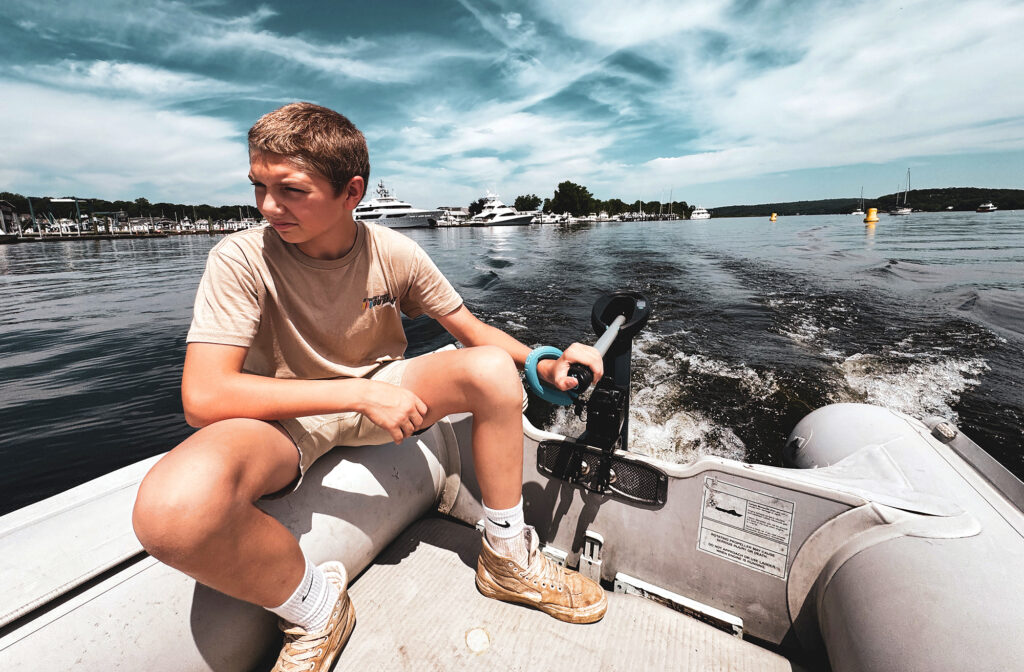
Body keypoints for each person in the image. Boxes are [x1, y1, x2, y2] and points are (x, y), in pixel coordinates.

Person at [131, 102, 607, 672]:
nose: (267, 206)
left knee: (488, 368)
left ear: (351, 192)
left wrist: (544, 363)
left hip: (385, 390)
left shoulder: (395, 252)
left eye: (290, 190)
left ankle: (505, 555)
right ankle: (316, 608)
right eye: (258, 186)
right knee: (171, 512)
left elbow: (470, 332)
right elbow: (204, 396)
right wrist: (356, 395)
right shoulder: (239, 259)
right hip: (286, 418)